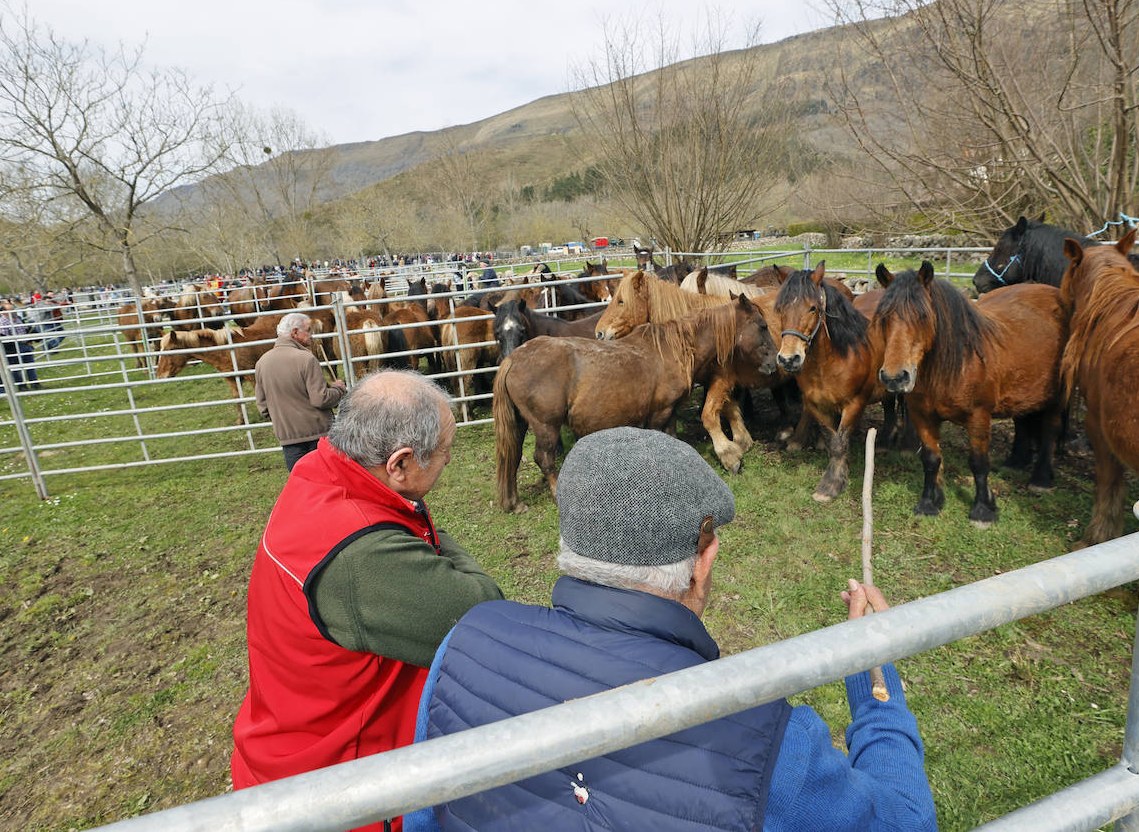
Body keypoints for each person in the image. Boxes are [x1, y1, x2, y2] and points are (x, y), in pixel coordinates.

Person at [404, 427, 937, 832]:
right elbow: (904, 821)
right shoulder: (765, 735)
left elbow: (426, 814)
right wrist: (874, 676)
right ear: (703, 560)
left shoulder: (467, 642)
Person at [231, 369, 504, 822]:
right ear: (398, 465)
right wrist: (421, 525)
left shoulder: (318, 473)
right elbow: (482, 615)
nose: (449, 462)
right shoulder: (364, 554)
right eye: (444, 453)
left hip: (288, 746)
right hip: (345, 788)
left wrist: (411, 520)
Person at [252, 312, 347, 471]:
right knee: (329, 482)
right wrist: (339, 389)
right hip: (318, 436)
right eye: (308, 330)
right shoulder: (306, 359)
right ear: (295, 332)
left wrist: (284, 420)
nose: (311, 335)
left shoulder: (262, 363)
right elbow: (320, 399)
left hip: (288, 439)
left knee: (303, 486)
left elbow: (263, 406)